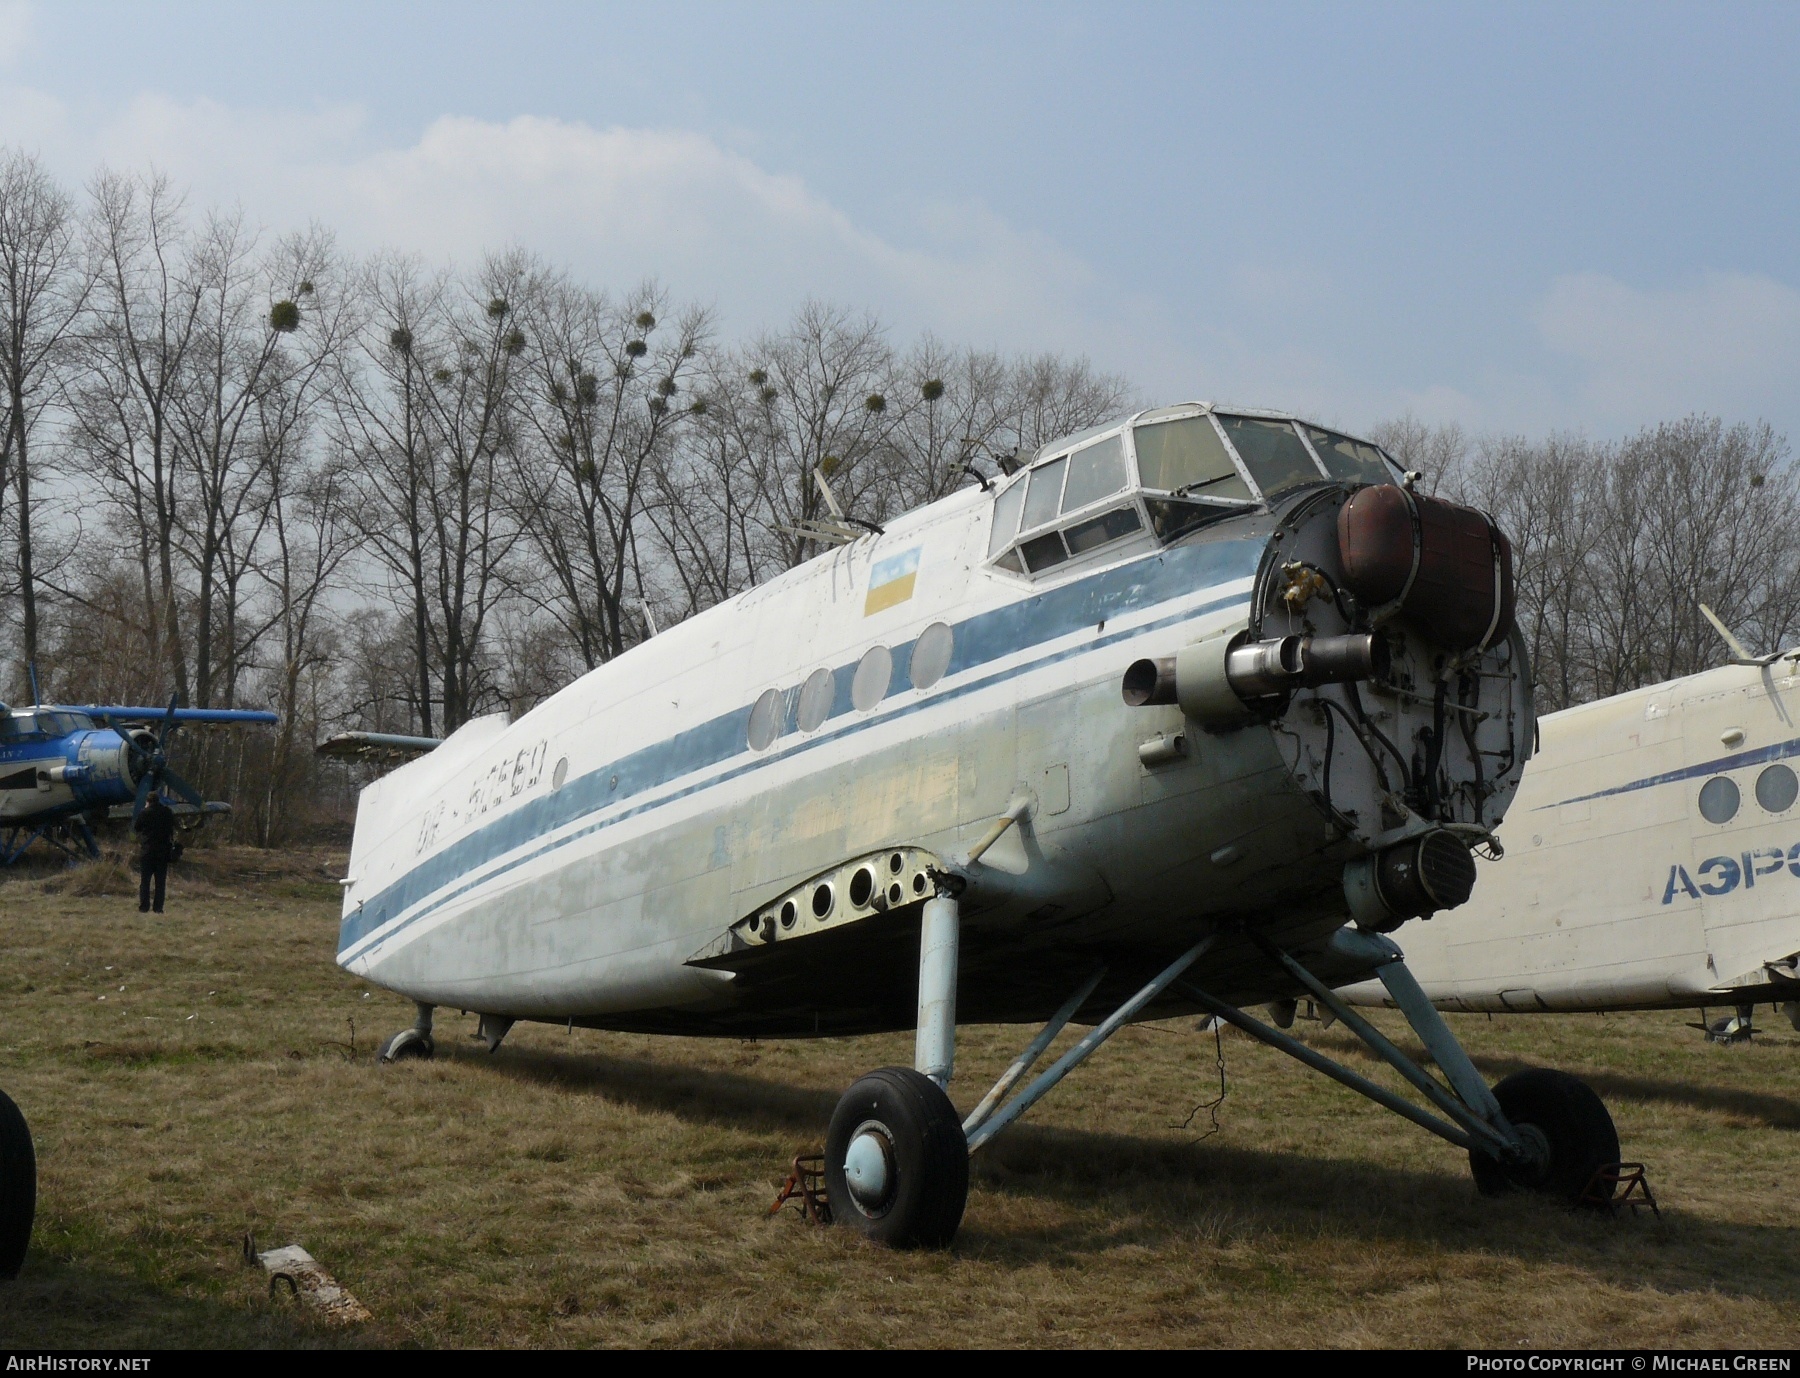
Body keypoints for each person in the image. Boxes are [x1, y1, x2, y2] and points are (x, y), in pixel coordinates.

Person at [134, 792, 176, 914]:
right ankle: (158, 908)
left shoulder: (144, 813)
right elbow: (172, 827)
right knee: (160, 883)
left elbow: (137, 827)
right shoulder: (167, 812)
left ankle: (144, 907)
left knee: (145, 882)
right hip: (163, 852)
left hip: (147, 851)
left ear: (148, 801)